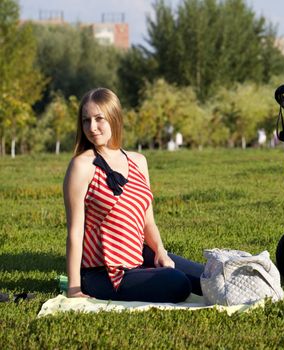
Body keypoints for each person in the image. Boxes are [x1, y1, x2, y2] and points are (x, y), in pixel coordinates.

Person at [63, 87, 203, 303]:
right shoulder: (82, 165)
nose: (91, 127)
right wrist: (74, 287)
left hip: (139, 256)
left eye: (99, 119)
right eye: (86, 120)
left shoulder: (138, 161)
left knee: (206, 276)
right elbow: (75, 231)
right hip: (104, 273)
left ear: (114, 118)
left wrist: (160, 252)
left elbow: (148, 222)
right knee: (178, 283)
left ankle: (255, 287)